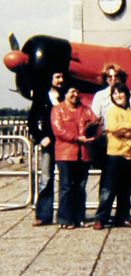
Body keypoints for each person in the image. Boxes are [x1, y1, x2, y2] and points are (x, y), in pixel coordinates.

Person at [93, 83, 131, 230]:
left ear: (127, 95)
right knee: (108, 189)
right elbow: (113, 128)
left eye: (120, 93)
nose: (118, 96)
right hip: (115, 154)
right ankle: (101, 218)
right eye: (114, 94)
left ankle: (122, 217)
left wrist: (126, 132)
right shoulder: (112, 111)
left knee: (126, 188)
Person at [51, 86, 99, 229]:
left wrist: (93, 136)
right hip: (65, 154)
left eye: (77, 91)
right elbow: (58, 130)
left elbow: (97, 124)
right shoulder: (58, 110)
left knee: (81, 187)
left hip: (83, 154)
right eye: (72, 91)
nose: (75, 94)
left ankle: (80, 217)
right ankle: (65, 219)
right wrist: (77, 138)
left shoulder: (86, 110)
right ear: (65, 94)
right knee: (66, 187)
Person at [28, 71, 65, 226]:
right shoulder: (41, 97)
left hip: (65, 143)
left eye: (62, 77)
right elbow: (32, 120)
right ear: (50, 79)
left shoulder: (68, 96)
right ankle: (43, 215)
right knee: (46, 178)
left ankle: (66, 215)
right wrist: (40, 137)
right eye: (57, 77)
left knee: (66, 181)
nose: (60, 80)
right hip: (49, 144)